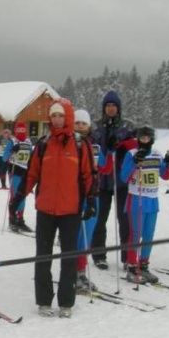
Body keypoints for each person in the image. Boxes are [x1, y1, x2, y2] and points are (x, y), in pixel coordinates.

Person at [9, 99, 94, 318]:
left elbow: (89, 175)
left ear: (68, 117)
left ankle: (66, 302)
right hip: (46, 209)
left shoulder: (80, 144)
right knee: (43, 257)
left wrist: (91, 200)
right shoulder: (43, 144)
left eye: (60, 116)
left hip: (70, 210)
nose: (57, 120)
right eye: (53, 115)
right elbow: (32, 174)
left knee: (69, 258)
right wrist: (18, 197)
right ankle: (44, 300)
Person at [119, 126, 169, 284]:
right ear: (138, 139)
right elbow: (124, 177)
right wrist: (134, 162)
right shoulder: (131, 153)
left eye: (147, 138)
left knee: (149, 235)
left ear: (152, 139)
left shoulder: (156, 153)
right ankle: (131, 266)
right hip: (137, 198)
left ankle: (143, 265)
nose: (145, 140)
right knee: (136, 234)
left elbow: (165, 175)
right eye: (142, 138)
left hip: (152, 199)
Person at [90, 90, 136, 270]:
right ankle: (98, 254)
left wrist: (123, 146)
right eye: (107, 106)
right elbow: (90, 146)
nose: (110, 108)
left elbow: (137, 145)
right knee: (99, 218)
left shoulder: (127, 126)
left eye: (113, 106)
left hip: (122, 181)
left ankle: (127, 256)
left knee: (125, 220)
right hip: (101, 180)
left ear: (118, 108)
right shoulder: (96, 127)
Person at [73, 109, 103, 291]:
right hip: (75, 194)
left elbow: (106, 167)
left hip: (93, 195)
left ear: (89, 126)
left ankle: (81, 271)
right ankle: (72, 271)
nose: (80, 126)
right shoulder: (69, 143)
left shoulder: (95, 146)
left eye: (83, 123)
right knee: (75, 235)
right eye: (77, 123)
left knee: (86, 236)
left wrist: (112, 150)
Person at [1, 121, 34, 232]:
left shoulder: (28, 142)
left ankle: (20, 219)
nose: (21, 132)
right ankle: (12, 219)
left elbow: (32, 156)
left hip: (25, 172)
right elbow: (4, 158)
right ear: (15, 131)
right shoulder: (12, 141)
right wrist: (12, 150)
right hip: (14, 171)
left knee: (22, 196)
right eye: (18, 130)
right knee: (15, 195)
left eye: (23, 130)